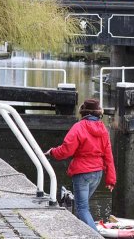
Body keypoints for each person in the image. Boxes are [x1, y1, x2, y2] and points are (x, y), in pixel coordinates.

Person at [45, 99, 116, 232]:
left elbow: (66, 150)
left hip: (82, 173)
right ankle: (85, 231)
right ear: (98, 113)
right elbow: (108, 155)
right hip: (97, 174)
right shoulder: (103, 130)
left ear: (83, 112)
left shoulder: (79, 127)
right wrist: (111, 179)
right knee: (82, 205)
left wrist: (52, 152)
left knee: (82, 208)